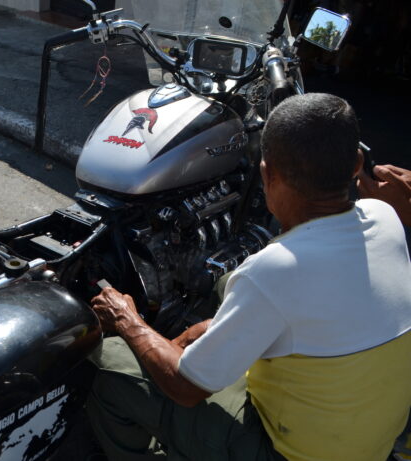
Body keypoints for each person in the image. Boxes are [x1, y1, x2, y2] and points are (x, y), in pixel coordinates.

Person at [86, 93, 411, 461]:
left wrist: (127, 321)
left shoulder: (272, 272)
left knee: (110, 363)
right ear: (356, 163)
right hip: (368, 442)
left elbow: (184, 388)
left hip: (288, 453)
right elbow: (305, 304)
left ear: (266, 172)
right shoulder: (386, 218)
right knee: (226, 291)